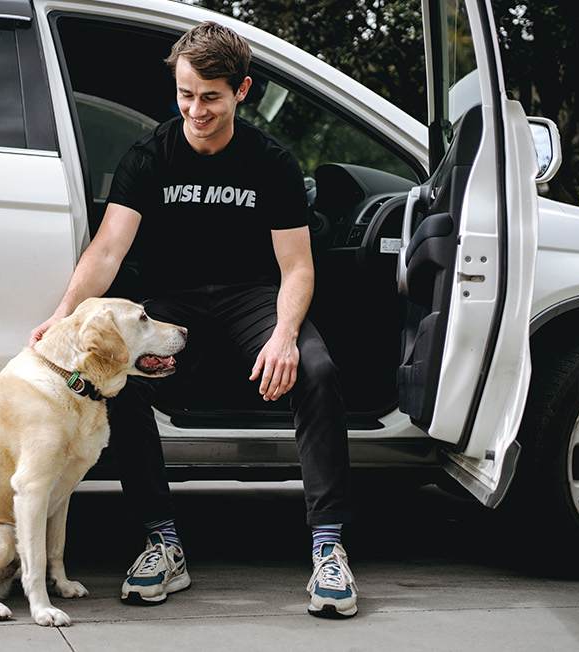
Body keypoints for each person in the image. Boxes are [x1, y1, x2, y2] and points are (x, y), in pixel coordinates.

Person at [29, 21, 357, 619]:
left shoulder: (271, 162)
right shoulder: (150, 156)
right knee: (113, 376)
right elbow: (108, 251)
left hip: (249, 299)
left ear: (242, 91)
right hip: (170, 303)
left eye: (210, 96)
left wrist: (284, 336)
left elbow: (297, 268)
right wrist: (62, 317)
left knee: (315, 369)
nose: (195, 109)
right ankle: (162, 541)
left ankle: (329, 547)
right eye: (186, 94)